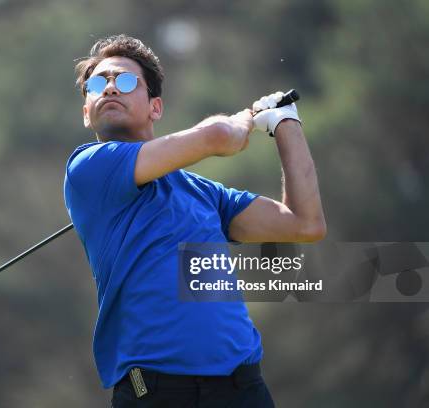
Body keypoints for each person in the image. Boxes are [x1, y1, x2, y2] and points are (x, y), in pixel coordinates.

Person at [64, 34, 325, 408]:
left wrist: (286, 123)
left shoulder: (204, 193)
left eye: (123, 81)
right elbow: (219, 136)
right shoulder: (89, 167)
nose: (108, 89)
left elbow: (305, 224)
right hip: (155, 393)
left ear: (155, 108)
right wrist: (244, 121)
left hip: (242, 388)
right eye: (96, 84)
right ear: (86, 111)